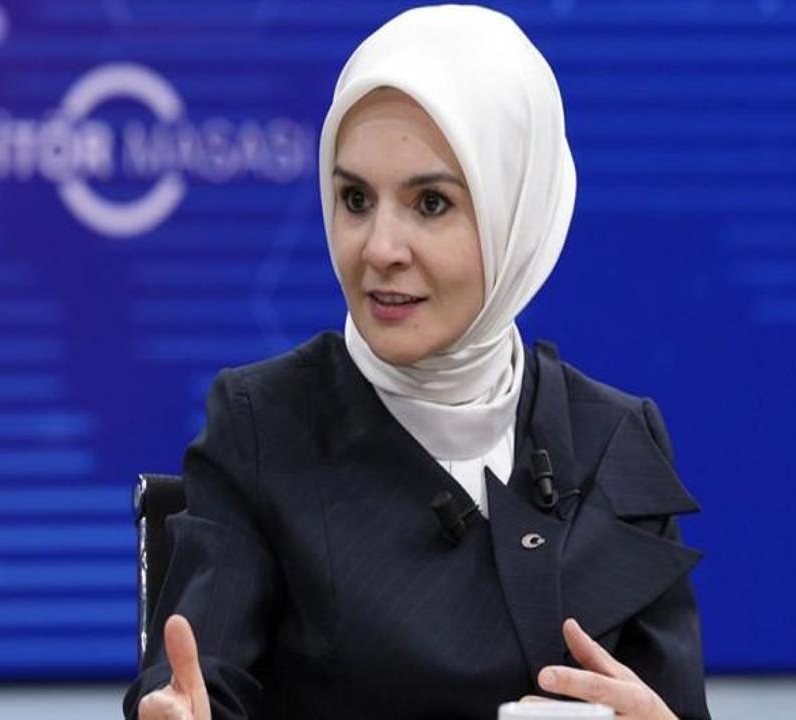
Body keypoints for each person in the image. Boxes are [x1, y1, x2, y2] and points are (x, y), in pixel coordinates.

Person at [125, 5, 708, 719]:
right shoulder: (262, 426)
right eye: (355, 199)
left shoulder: (614, 444)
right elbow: (199, 679)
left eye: (431, 203)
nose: (379, 249)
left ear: (514, 214)